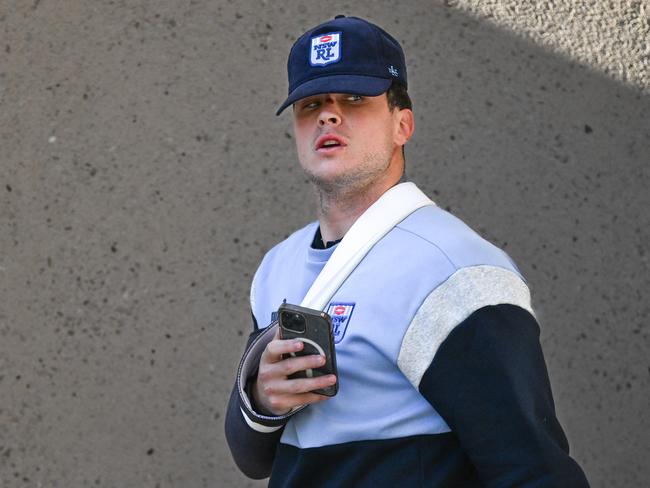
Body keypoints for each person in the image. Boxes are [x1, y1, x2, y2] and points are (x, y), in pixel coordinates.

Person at [225, 15, 589, 487]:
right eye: (310, 103)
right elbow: (254, 461)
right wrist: (262, 399)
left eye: (354, 99)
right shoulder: (279, 265)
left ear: (403, 124)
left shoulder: (452, 270)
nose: (327, 115)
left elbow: (533, 473)